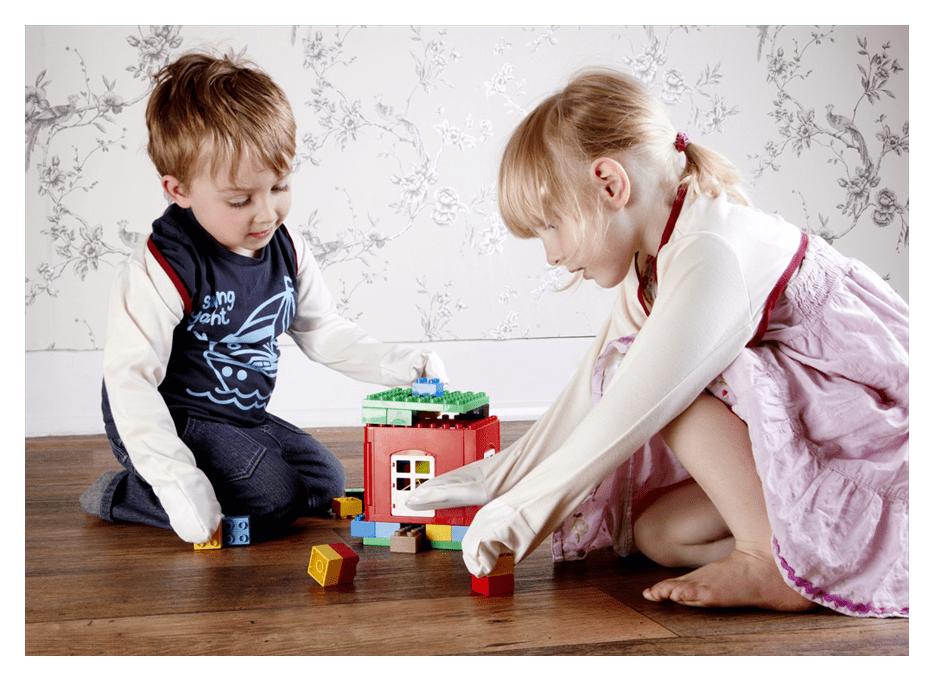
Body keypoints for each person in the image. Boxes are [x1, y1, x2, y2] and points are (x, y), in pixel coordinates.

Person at [408, 69, 908, 617]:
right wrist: (499, 476)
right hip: (804, 424)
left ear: (609, 184)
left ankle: (768, 558)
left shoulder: (712, 251)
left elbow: (631, 408)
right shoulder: (651, 257)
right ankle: (811, 559)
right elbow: (586, 389)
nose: (550, 254)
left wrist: (526, 512)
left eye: (551, 226)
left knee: (669, 391)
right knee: (659, 535)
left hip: (863, 422)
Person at [80, 52, 447, 545]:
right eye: (240, 200)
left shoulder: (285, 247)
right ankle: (124, 494)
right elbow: (131, 382)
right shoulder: (163, 264)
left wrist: (401, 364)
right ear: (178, 190)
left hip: (239, 418)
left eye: (280, 186)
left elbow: (323, 330)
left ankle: (235, 474)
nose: (267, 212)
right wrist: (177, 480)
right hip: (171, 417)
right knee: (273, 501)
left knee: (324, 482)